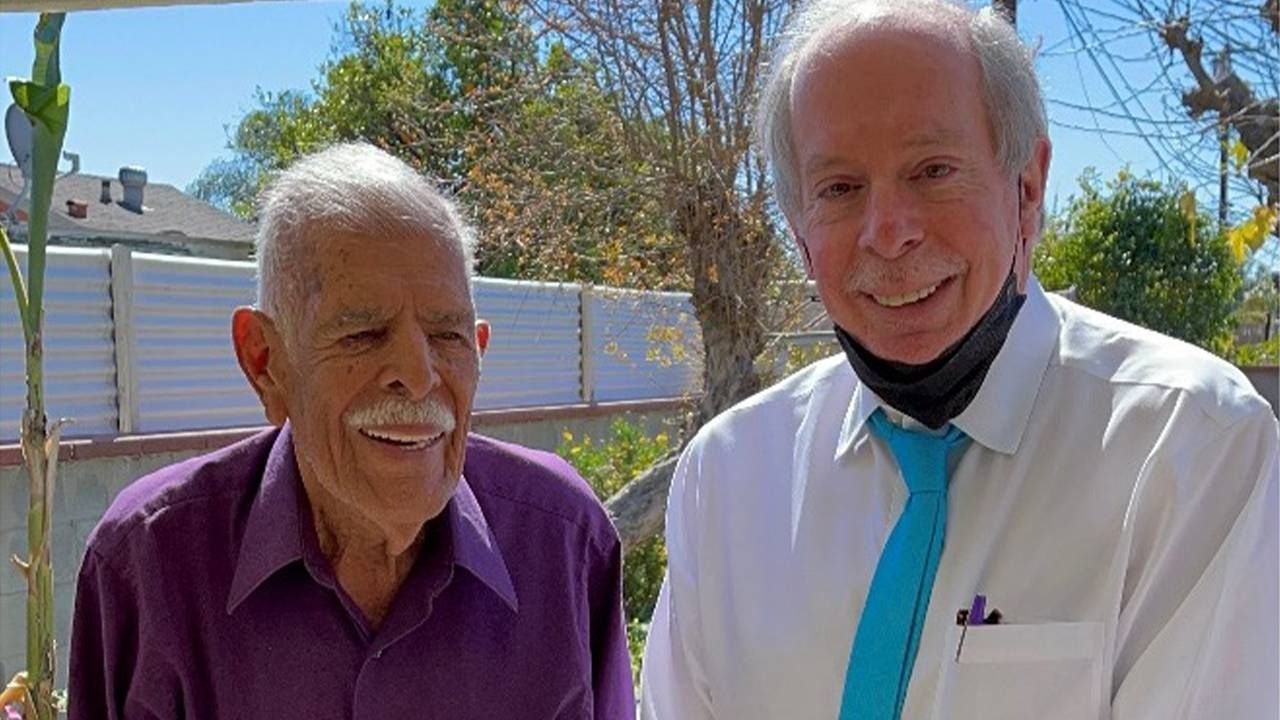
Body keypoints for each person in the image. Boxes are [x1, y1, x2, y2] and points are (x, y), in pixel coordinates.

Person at [640, 1, 1279, 718]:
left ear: (1027, 188)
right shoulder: (726, 478)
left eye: (933, 170)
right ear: (798, 231)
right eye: (840, 189)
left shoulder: (1189, 447)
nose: (889, 233)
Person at [69, 143, 634, 718]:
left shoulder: (565, 545)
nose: (418, 378)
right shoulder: (148, 567)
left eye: (447, 336)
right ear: (265, 362)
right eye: (363, 334)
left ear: (479, 352)